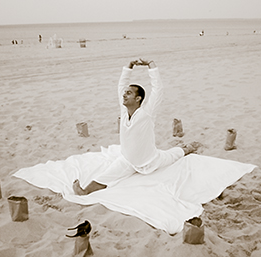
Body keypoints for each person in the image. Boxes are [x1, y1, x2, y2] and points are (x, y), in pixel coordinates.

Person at [73, 59, 196, 195]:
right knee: (104, 177)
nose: (124, 95)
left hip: (151, 162)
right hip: (127, 161)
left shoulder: (147, 113)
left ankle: (186, 148)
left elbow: (157, 90)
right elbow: (121, 85)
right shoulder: (124, 111)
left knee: (173, 154)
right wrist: (129, 67)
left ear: (138, 99)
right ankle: (84, 191)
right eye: (125, 93)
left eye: (129, 93)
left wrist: (151, 64)